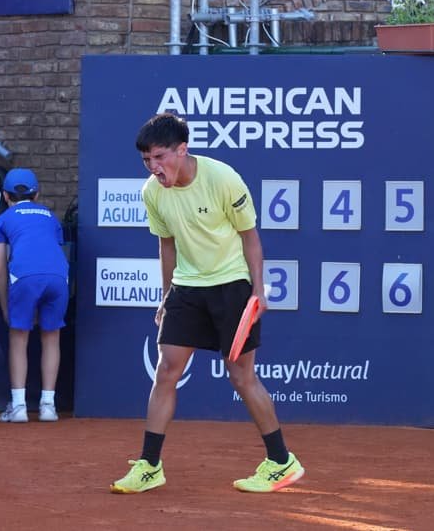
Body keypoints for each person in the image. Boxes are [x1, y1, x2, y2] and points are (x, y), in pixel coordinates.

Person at [110, 113, 304, 494]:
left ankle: (281, 461)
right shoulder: (152, 192)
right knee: (166, 370)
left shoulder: (222, 179)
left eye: (161, 157)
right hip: (187, 287)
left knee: (241, 376)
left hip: (231, 284)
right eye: (147, 160)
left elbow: (250, 238)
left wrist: (258, 290)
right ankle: (149, 465)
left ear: (183, 150)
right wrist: (166, 295)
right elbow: (167, 244)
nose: (154, 167)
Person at [0, 168, 69, 423]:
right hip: (59, 276)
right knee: (51, 336)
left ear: (5, 195)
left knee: (19, 337)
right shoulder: (51, 217)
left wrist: (4, 305)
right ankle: (48, 406)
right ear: (37, 195)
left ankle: (19, 406)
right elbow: (54, 251)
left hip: (24, 276)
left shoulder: (3, 219)